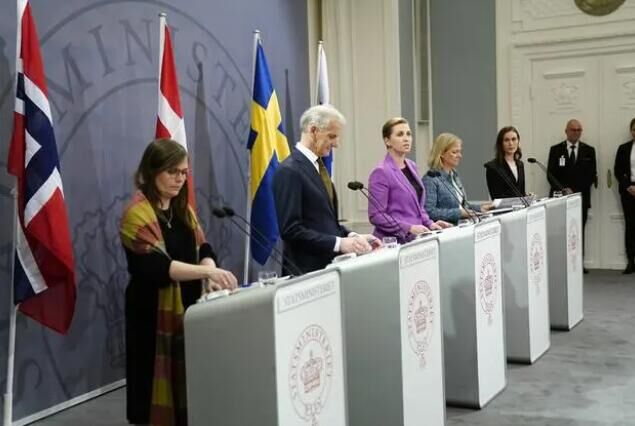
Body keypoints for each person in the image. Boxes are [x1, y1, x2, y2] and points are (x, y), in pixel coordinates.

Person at [119, 139, 237, 425]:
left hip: (188, 308)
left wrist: (208, 266)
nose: (180, 179)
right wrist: (206, 274)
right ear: (152, 171)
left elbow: (203, 247)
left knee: (187, 387)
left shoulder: (183, 210)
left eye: (184, 172)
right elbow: (159, 268)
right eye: (172, 172)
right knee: (151, 390)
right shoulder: (136, 215)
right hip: (150, 315)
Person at [273, 104, 379, 274]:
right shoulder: (289, 171)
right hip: (305, 273)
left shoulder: (318, 167)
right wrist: (339, 244)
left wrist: (353, 237)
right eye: (332, 136)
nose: (336, 144)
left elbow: (325, 222)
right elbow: (291, 230)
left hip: (328, 269)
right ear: (313, 130)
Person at [367, 117, 451, 243]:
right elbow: (376, 215)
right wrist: (408, 228)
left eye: (408, 134)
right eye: (400, 134)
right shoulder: (381, 172)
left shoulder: (412, 165)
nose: (406, 138)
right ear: (387, 141)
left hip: (416, 239)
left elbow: (418, 207)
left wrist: (430, 224)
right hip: (393, 242)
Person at [547, 119, 597, 273]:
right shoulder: (556, 150)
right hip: (560, 198)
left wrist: (574, 190)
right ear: (566, 131)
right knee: (560, 232)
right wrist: (563, 189)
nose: (576, 133)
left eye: (579, 130)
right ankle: (561, 264)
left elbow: (591, 175)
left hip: (581, 198)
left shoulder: (589, 150)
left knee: (578, 232)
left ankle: (578, 264)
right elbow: (550, 174)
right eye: (573, 130)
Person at [422, 132, 493, 224]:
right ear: (441, 154)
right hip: (446, 229)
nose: (460, 156)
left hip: (462, 226)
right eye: (454, 152)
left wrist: (480, 208)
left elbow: (461, 206)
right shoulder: (431, 179)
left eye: (460, 151)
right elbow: (429, 212)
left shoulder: (454, 175)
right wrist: (458, 213)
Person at [614, 117, 635, 274]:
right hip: (628, 192)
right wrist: (628, 186)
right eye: (634, 129)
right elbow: (618, 170)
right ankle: (631, 262)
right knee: (630, 226)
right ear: (631, 131)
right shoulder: (623, 148)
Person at [485, 126, 526, 199]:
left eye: (514, 139)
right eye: (506, 140)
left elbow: (521, 192)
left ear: (518, 141)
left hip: (520, 206)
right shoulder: (493, 167)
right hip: (504, 206)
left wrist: (527, 198)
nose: (511, 143)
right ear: (501, 143)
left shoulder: (520, 164)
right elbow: (496, 196)